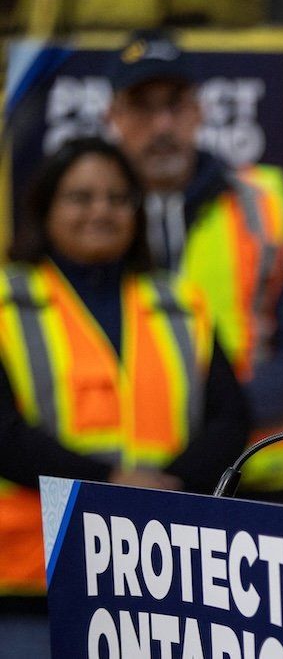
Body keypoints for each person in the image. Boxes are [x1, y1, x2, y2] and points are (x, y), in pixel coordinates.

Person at [0, 137, 249, 656]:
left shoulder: (177, 303)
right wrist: (113, 486)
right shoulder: (6, 300)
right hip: (32, 578)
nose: (101, 211)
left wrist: (170, 484)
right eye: (81, 197)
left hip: (156, 581)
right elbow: (5, 435)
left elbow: (229, 418)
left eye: (118, 199)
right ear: (45, 207)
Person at [104, 30, 283, 502]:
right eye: (143, 107)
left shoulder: (261, 205)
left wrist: (221, 424)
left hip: (251, 478)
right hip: (123, 480)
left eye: (176, 104)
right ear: (113, 116)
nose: (162, 125)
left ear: (200, 111)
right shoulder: (87, 216)